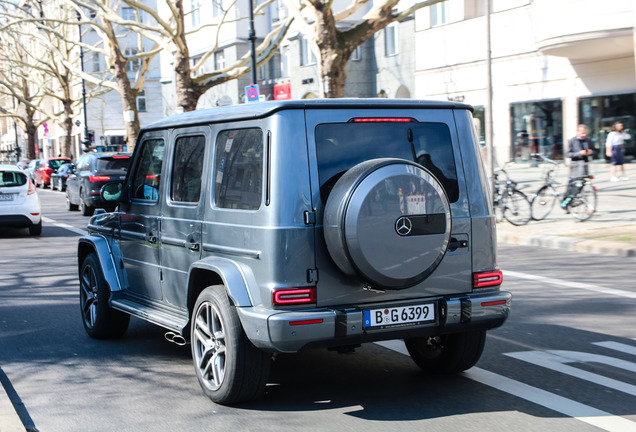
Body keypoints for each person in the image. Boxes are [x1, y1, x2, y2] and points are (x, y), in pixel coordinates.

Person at [561, 124, 594, 210]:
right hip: (576, 165)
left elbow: (594, 150)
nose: (584, 135)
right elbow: (567, 154)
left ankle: (576, 201)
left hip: (585, 165)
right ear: (578, 132)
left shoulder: (588, 140)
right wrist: (579, 153)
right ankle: (566, 202)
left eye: (585, 133)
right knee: (573, 185)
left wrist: (591, 151)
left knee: (582, 184)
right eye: (582, 133)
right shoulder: (572, 140)